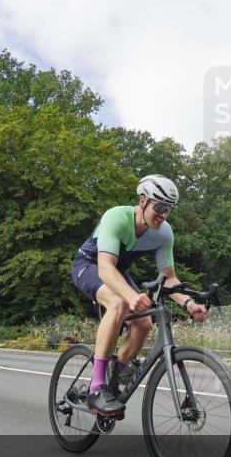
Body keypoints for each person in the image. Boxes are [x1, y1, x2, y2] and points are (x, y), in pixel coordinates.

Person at [71, 174, 209, 415]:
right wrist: (131, 297)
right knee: (118, 304)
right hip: (90, 265)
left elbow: (169, 277)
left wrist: (188, 303)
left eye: (170, 209)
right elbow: (105, 268)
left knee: (144, 322)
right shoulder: (117, 217)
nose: (164, 214)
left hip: (118, 272)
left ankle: (114, 376)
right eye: (161, 207)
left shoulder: (164, 233)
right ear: (143, 201)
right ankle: (96, 387)